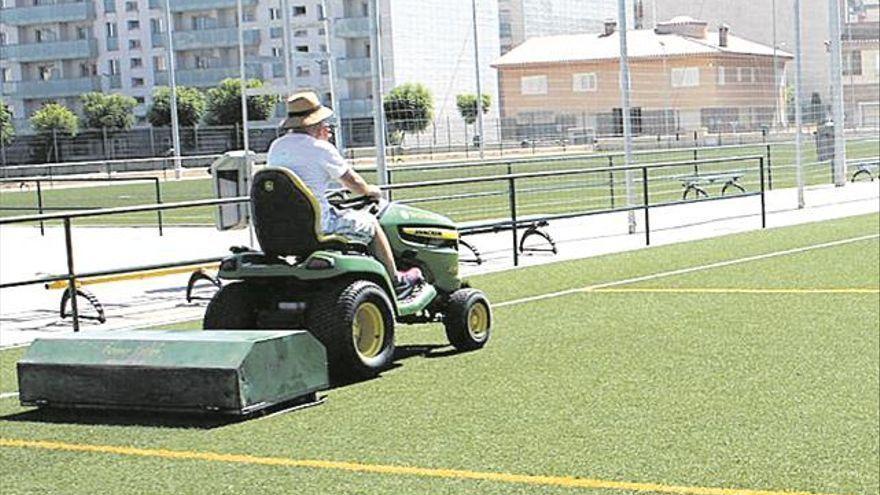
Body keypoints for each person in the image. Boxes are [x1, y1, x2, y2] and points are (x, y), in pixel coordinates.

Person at [267, 91, 422, 297]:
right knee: (371, 224)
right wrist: (371, 191)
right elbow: (355, 184)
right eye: (325, 123)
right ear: (317, 124)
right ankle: (396, 281)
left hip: (282, 229)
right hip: (319, 227)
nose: (328, 128)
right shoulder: (321, 148)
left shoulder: (276, 147)